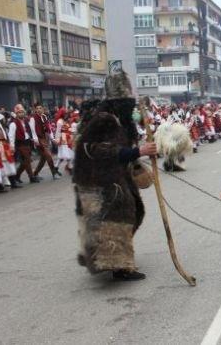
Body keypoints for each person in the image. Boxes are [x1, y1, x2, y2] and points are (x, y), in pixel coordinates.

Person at [74, 70, 157, 281]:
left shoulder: (122, 119)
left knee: (134, 211)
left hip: (116, 175)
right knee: (118, 216)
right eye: (125, 101)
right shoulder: (103, 119)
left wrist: (136, 159)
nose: (129, 105)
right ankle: (119, 266)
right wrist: (138, 152)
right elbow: (94, 149)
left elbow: (122, 147)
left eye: (130, 101)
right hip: (99, 180)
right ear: (116, 101)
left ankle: (104, 255)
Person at [30, 103, 62, 179]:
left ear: (43, 109)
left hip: (45, 139)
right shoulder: (33, 118)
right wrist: (35, 140)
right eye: (37, 108)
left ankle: (35, 174)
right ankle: (54, 173)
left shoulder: (45, 117)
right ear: (35, 110)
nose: (38, 110)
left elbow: (49, 129)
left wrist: (52, 138)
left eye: (40, 108)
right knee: (48, 155)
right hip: (39, 139)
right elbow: (33, 130)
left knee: (44, 158)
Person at [9, 104, 39, 183]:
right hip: (20, 144)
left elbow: (30, 131)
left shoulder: (26, 121)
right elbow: (11, 136)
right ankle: (31, 177)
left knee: (24, 162)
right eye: (19, 112)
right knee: (27, 160)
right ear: (16, 113)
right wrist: (12, 146)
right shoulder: (13, 123)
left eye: (22, 112)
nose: (21, 114)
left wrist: (34, 139)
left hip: (27, 142)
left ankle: (17, 176)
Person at [0, 113, 19, 188]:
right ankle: (5, 183)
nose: (4, 120)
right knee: (6, 166)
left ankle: (12, 182)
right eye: (3, 119)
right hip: (1, 148)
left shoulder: (1, 127)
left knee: (9, 165)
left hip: (4, 146)